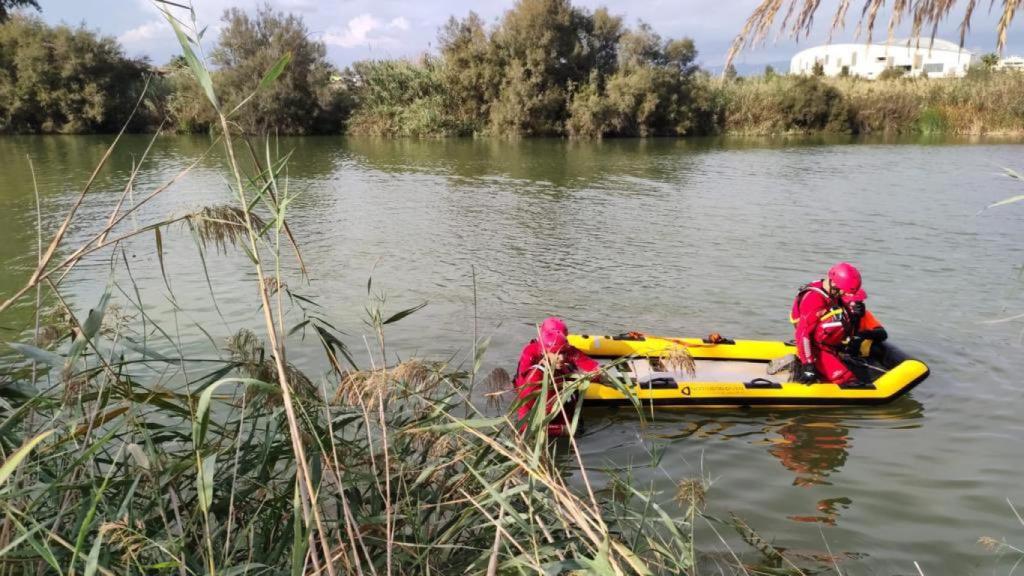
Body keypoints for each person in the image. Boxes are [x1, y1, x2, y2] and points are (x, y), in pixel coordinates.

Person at [513, 317, 600, 434]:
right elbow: (525, 425)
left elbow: (592, 368)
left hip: (569, 420)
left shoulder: (562, 359)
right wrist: (564, 430)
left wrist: (593, 375)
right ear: (545, 352)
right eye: (557, 353)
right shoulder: (533, 374)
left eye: (564, 352)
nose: (562, 357)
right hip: (558, 430)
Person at [790, 262, 869, 386]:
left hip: (824, 340)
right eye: (844, 291)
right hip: (814, 344)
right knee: (847, 379)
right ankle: (822, 365)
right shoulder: (814, 299)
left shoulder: (832, 292)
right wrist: (808, 365)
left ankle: (833, 354)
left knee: (843, 316)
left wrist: (855, 315)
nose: (845, 294)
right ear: (833, 283)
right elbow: (803, 334)